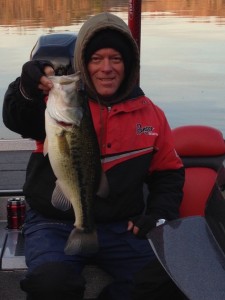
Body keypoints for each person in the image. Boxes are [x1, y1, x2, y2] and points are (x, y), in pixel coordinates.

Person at [2, 12, 186, 300]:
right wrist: (24, 87)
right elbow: (16, 118)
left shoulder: (152, 115)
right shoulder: (58, 105)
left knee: (169, 280)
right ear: (84, 65)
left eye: (116, 58)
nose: (106, 68)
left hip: (122, 226)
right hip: (53, 223)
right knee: (51, 284)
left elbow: (169, 173)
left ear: (129, 65)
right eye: (96, 58)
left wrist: (159, 214)